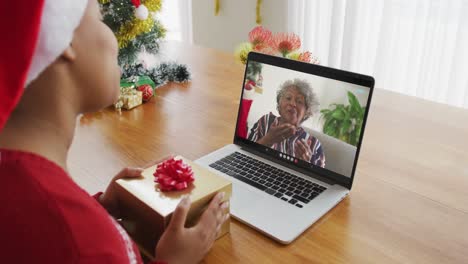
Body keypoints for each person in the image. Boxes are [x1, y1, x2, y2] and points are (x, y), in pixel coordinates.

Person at [0, 1, 228, 263]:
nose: (115, 37)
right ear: (64, 41)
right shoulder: (91, 244)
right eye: (99, 19)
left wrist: (99, 208)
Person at [248, 79, 326, 167]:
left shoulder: (314, 144)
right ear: (279, 105)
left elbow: (317, 179)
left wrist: (304, 165)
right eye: (288, 98)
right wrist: (268, 140)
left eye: (299, 101)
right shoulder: (265, 122)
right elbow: (246, 155)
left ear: (307, 112)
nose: (292, 104)